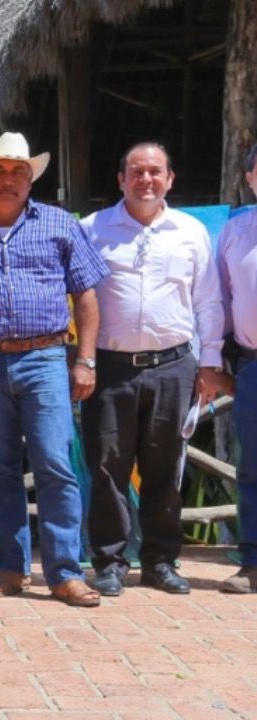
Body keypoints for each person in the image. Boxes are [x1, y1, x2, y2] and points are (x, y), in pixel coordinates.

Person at [0, 131, 108, 608]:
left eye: (18, 171)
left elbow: (87, 295)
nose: (8, 179)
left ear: (31, 179)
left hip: (46, 359)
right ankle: (12, 568)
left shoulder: (59, 224)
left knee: (55, 464)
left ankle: (65, 573)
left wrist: (86, 359)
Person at [80, 142, 225, 597]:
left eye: (155, 172)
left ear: (170, 179)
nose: (146, 180)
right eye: (137, 172)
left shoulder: (190, 232)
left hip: (173, 366)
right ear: (121, 179)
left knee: (165, 468)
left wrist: (210, 361)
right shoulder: (92, 229)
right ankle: (109, 562)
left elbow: (208, 301)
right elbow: (76, 297)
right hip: (110, 367)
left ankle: (161, 561)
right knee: (107, 468)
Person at [218, 144, 257, 594]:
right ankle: (253, 562)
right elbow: (219, 301)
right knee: (253, 468)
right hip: (252, 366)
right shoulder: (233, 232)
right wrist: (213, 361)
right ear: (249, 179)